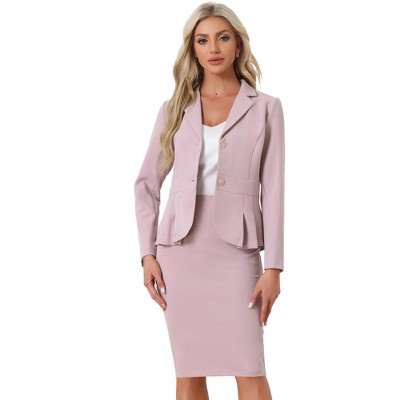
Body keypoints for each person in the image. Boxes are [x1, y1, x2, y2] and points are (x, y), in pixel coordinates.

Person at [134, 2, 285, 399]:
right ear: (193, 49)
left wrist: (274, 267)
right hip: (180, 253)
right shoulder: (174, 110)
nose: (213, 48)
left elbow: (274, 190)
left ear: (238, 44)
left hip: (237, 252)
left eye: (223, 37)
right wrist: (147, 254)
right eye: (202, 40)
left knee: (250, 369)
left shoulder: (266, 108)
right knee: (189, 371)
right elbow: (146, 184)